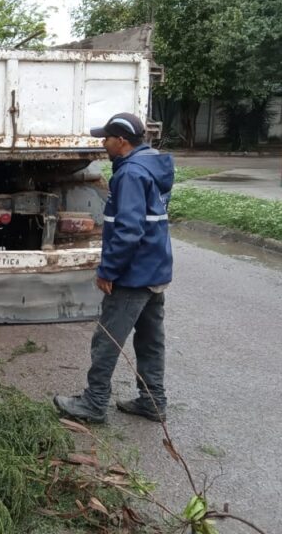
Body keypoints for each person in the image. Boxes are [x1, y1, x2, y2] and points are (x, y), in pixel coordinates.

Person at [53, 112, 174, 424]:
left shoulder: (130, 174)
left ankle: (94, 403)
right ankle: (153, 401)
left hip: (133, 274)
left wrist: (108, 270)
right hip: (155, 269)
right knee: (150, 340)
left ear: (121, 141)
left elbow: (129, 230)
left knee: (107, 340)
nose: (102, 143)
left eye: (106, 138)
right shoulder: (152, 165)